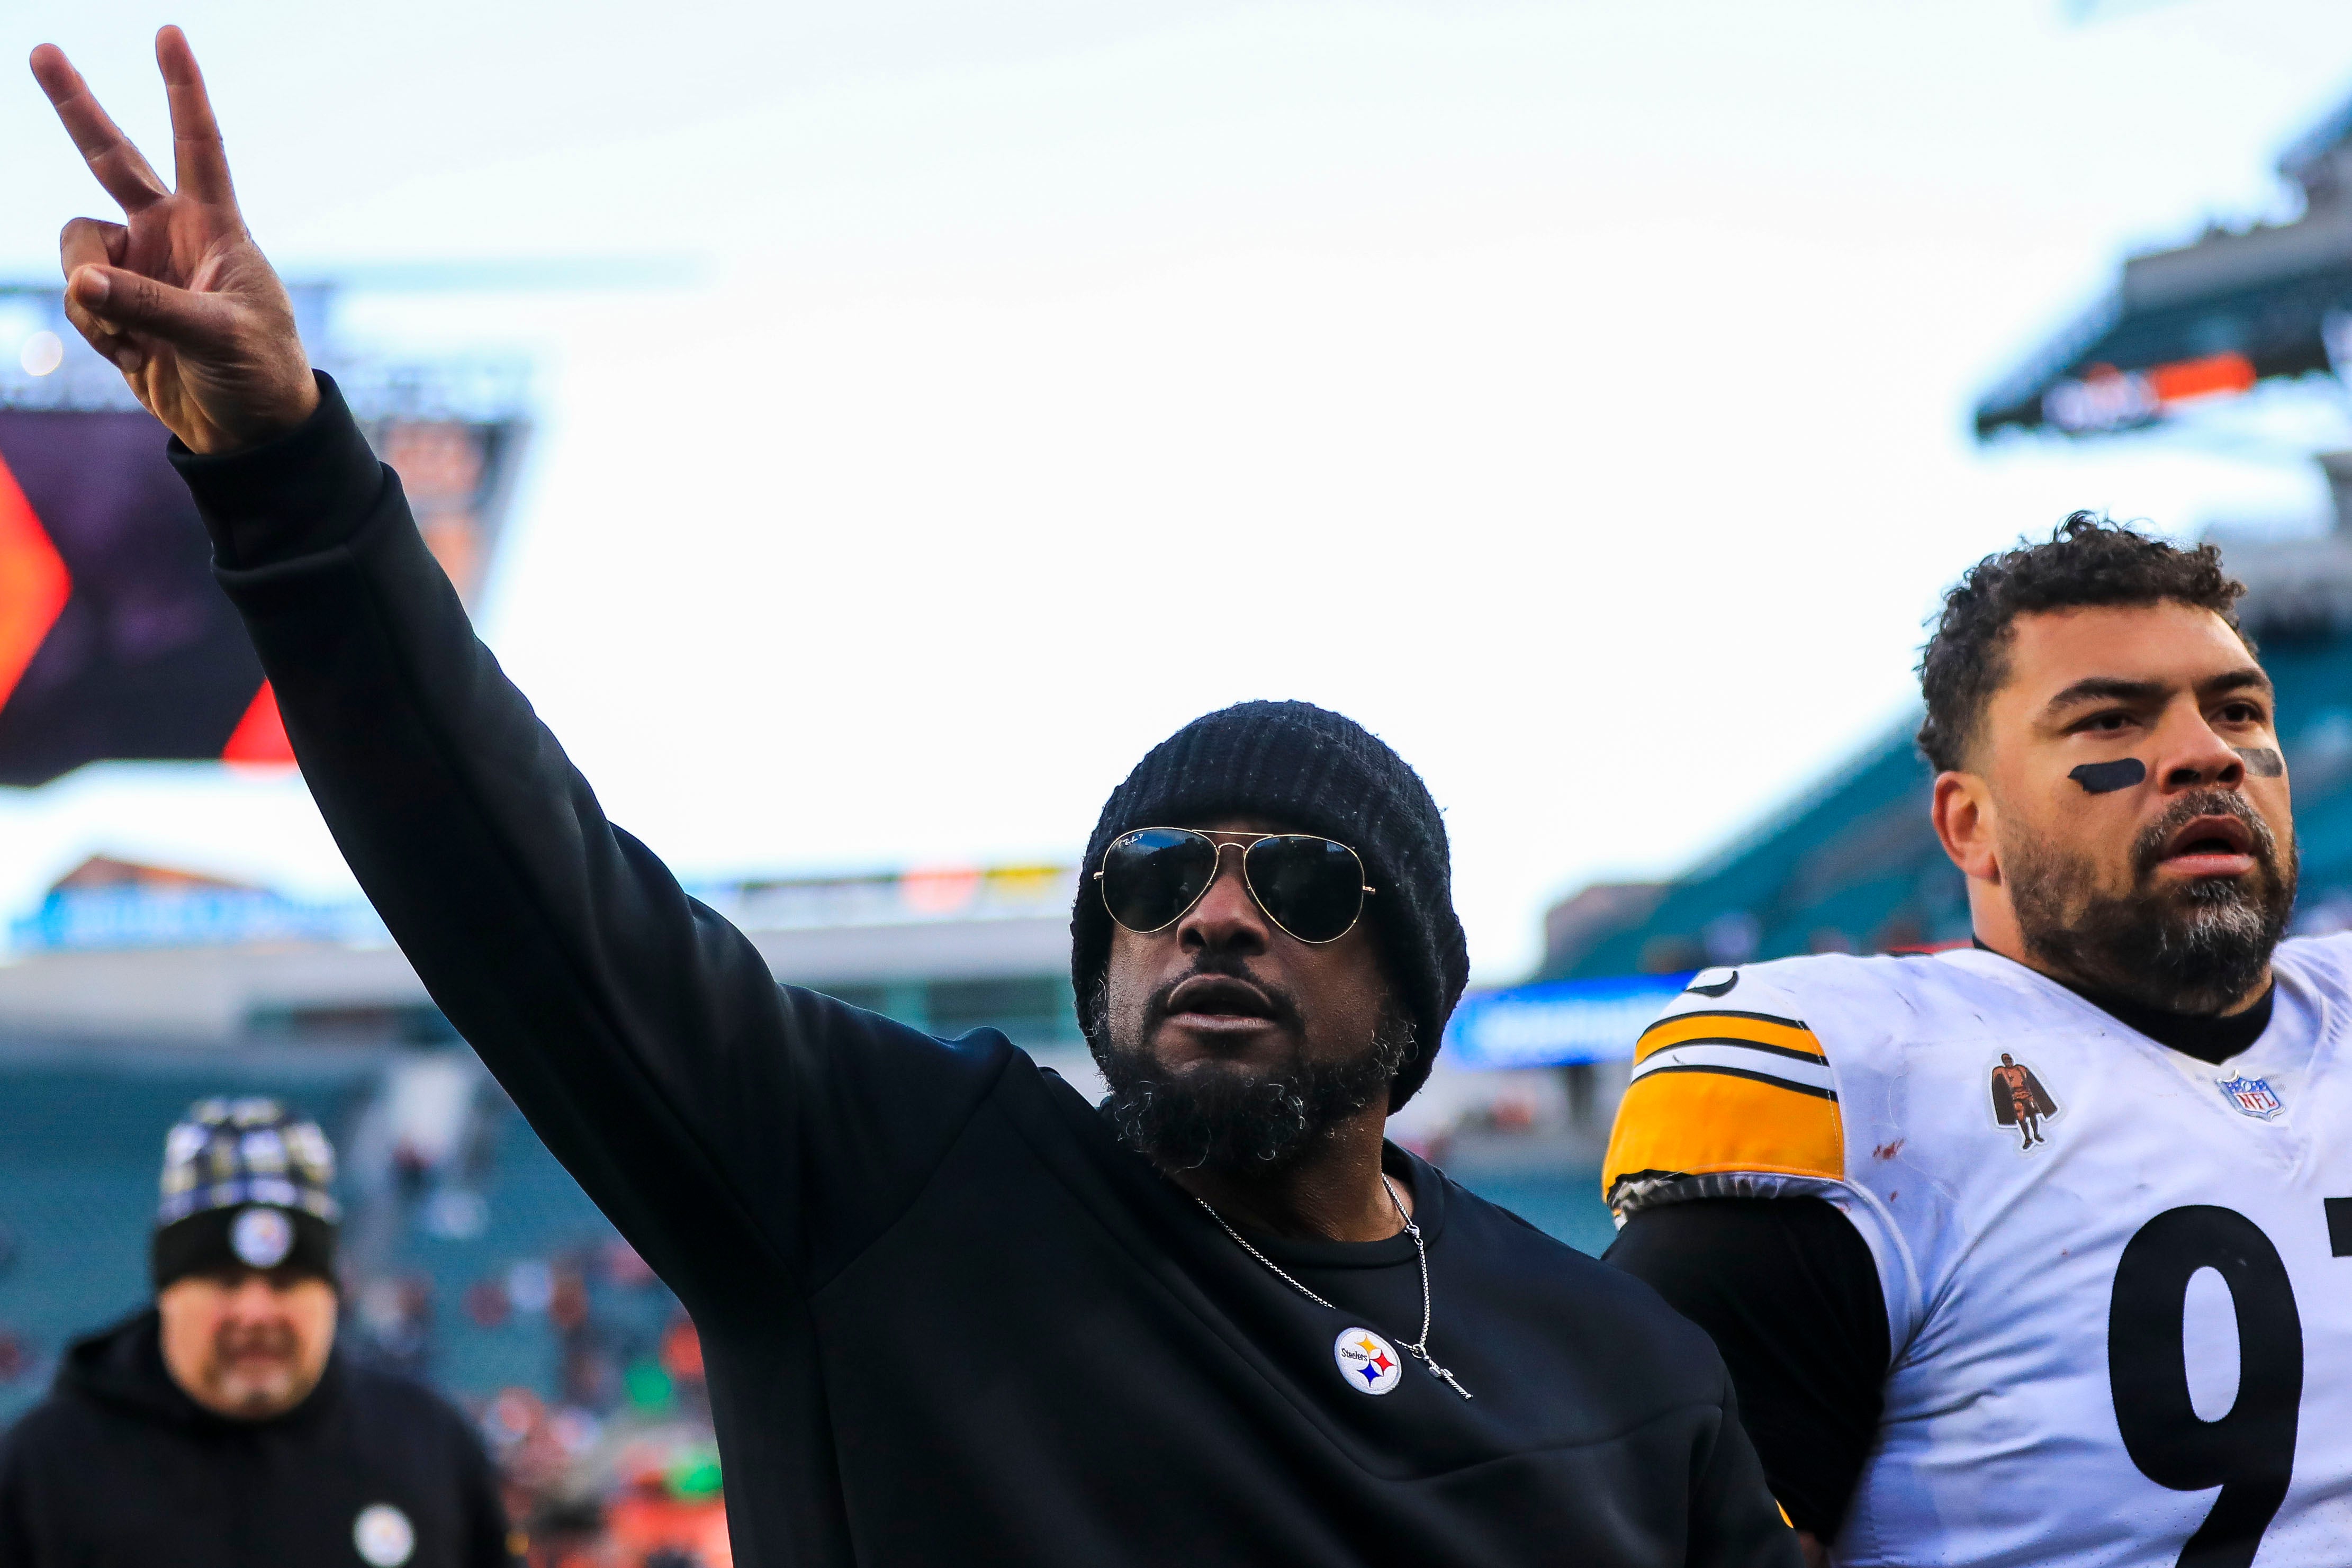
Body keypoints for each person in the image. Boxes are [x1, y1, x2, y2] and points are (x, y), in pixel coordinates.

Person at [29, 30, 1801, 1568]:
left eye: (1308, 885)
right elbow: (518, 879)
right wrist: (285, 480)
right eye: (1159, 872)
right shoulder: (892, 1184)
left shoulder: (1619, 1369)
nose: (1216, 909)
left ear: (1414, 991)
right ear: (1102, 961)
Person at [1602, 516, 2352, 1566]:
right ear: (1967, 825)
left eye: (2235, 709)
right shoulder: (1868, 1080)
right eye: (2107, 720)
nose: (2205, 753)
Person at [0, 1098, 516, 1567]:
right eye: (224, 1280)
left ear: (333, 1293)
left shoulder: (429, 1447)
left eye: (287, 1281)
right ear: (168, 1292)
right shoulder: (45, 1468)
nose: (255, 1312)